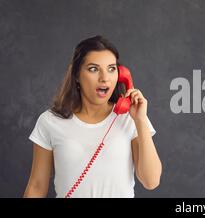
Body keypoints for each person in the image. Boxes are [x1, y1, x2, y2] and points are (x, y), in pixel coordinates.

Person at [24, 35, 162, 197]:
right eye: (93, 69)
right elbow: (37, 186)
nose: (104, 78)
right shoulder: (50, 121)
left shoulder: (130, 119)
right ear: (76, 75)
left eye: (111, 69)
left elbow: (151, 181)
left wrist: (140, 120)